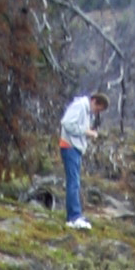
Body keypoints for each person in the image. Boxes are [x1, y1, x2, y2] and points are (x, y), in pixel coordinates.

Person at [58, 88, 96, 227]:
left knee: (74, 182)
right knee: (73, 182)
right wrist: (86, 132)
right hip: (69, 146)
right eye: (97, 107)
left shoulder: (85, 110)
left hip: (74, 148)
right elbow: (67, 123)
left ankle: (73, 216)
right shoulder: (80, 106)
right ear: (94, 101)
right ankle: (74, 217)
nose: (96, 112)